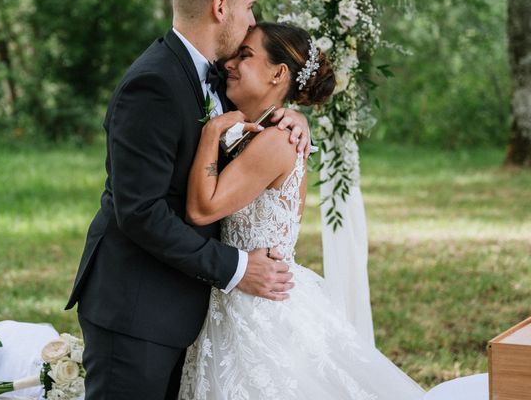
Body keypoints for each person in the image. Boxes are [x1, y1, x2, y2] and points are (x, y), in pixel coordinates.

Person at [65, 0, 313, 399]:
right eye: (249, 7)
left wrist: (293, 116)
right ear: (221, 7)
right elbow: (139, 211)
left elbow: (262, 112)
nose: (252, 22)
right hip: (137, 309)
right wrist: (237, 268)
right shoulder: (153, 83)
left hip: (188, 310)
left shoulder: (219, 75)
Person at [179, 22, 427, 399]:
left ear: (279, 73)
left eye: (245, 56)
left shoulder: (276, 142)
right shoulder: (265, 129)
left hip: (257, 306)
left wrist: (211, 133)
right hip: (239, 293)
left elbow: (201, 210)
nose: (229, 63)